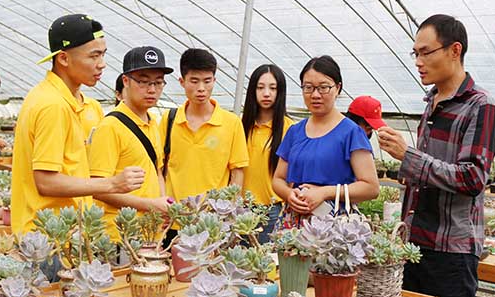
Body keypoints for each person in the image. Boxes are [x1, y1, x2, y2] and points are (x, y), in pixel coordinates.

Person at [378, 14, 495, 297]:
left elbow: (472, 178)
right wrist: (408, 173)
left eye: (425, 52)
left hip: (451, 252)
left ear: (454, 50)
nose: (418, 61)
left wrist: (409, 157)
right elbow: (432, 173)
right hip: (416, 246)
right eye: (414, 53)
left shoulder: (481, 108)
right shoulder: (432, 103)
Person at [10, 14, 144, 234]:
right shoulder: (52, 105)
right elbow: (45, 182)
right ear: (63, 58)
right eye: (93, 56)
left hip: (66, 231)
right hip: (47, 236)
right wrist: (113, 183)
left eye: (103, 54)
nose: (102, 64)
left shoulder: (75, 102)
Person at [272, 56, 379, 223]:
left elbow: (371, 187)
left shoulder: (351, 133)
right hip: (294, 222)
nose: (315, 94)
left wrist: (324, 192)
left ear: (338, 88)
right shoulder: (294, 132)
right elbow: (278, 179)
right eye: (308, 87)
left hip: (334, 223)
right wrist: (289, 194)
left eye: (323, 87)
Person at [160, 48, 249, 245]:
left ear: (214, 81)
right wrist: (162, 203)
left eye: (207, 81)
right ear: (182, 82)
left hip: (213, 224)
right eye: (194, 81)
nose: (201, 88)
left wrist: (228, 213)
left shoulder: (231, 123)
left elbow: (237, 172)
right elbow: (159, 168)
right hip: (174, 222)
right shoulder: (169, 120)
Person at [88, 46, 173, 242]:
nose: (152, 89)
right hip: (119, 237)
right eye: (143, 81)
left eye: (158, 82)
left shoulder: (153, 122)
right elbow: (97, 188)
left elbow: (157, 170)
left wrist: (163, 205)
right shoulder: (110, 126)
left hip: (150, 233)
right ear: (125, 81)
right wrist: (150, 205)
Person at [241, 64, 293, 243]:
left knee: (267, 260)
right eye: (260, 87)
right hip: (241, 210)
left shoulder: (289, 128)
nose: (266, 93)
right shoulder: (240, 127)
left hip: (273, 211)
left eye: (273, 88)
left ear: (280, 92)